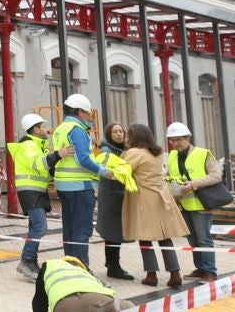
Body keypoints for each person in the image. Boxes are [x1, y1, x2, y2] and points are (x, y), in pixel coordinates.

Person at [46, 94, 112, 268]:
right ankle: (82, 269)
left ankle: (71, 267)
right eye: (88, 113)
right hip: (80, 187)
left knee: (69, 229)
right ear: (80, 112)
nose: (90, 117)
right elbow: (83, 159)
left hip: (63, 185)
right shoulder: (78, 130)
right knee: (82, 229)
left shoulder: (61, 128)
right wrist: (104, 172)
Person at [122, 123, 186, 288]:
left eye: (128, 135)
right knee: (165, 237)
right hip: (161, 197)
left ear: (135, 137)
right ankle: (175, 273)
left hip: (144, 198)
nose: (126, 138)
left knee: (145, 237)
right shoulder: (157, 152)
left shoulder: (134, 153)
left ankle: (151, 275)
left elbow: (122, 170)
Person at [165, 122, 223, 281]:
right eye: (172, 140)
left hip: (201, 204)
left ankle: (210, 271)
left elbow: (216, 176)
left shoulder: (203, 154)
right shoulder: (172, 156)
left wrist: (193, 184)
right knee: (193, 240)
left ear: (188, 138)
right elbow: (170, 176)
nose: (175, 144)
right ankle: (200, 269)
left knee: (204, 239)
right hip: (183, 204)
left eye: (178, 140)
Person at [9, 112, 52, 280]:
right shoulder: (28, 146)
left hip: (36, 191)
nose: (46, 130)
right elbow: (40, 165)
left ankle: (31, 262)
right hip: (30, 191)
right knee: (40, 227)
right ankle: (26, 261)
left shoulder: (37, 145)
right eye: (43, 127)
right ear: (36, 129)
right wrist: (58, 155)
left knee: (35, 227)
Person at [95, 119, 135, 281]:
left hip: (119, 195)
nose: (119, 134)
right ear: (108, 134)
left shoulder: (122, 149)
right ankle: (113, 266)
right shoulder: (106, 150)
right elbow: (110, 173)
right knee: (112, 233)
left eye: (121, 131)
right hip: (111, 196)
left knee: (115, 233)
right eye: (115, 132)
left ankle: (112, 264)